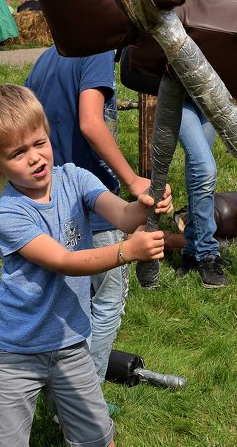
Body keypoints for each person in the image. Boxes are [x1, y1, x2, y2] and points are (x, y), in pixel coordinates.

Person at [0, 83, 170, 447]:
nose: (35, 157)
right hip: (16, 349)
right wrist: (125, 254)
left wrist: (145, 204)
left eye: (39, 142)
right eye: (18, 153)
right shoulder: (10, 214)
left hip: (70, 339)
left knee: (96, 430)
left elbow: (121, 216)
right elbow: (64, 262)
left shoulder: (76, 177)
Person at [24, 45, 150, 383]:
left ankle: (60, 387)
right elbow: (92, 122)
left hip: (53, 199)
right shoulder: (97, 52)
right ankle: (85, 396)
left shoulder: (50, 55)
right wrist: (132, 179)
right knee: (108, 298)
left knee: (70, 300)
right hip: (91, 200)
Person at [153, 0, 228, 288]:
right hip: (176, 96)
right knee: (206, 167)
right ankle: (209, 254)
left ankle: (191, 250)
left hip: (208, 96)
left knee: (199, 173)